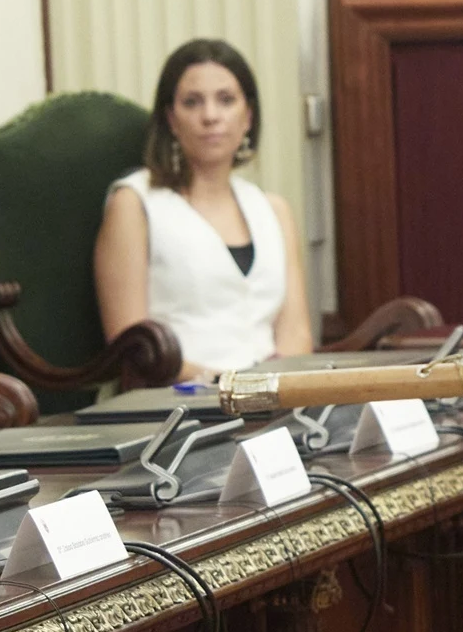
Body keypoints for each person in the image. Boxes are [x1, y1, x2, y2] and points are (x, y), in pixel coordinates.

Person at [93, 38, 312, 381]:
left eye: (226, 100)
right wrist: (223, 384)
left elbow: (296, 336)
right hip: (179, 406)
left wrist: (271, 395)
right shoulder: (135, 203)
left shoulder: (273, 209)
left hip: (272, 402)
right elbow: (132, 345)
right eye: (192, 102)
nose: (210, 116)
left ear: (248, 117)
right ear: (171, 119)